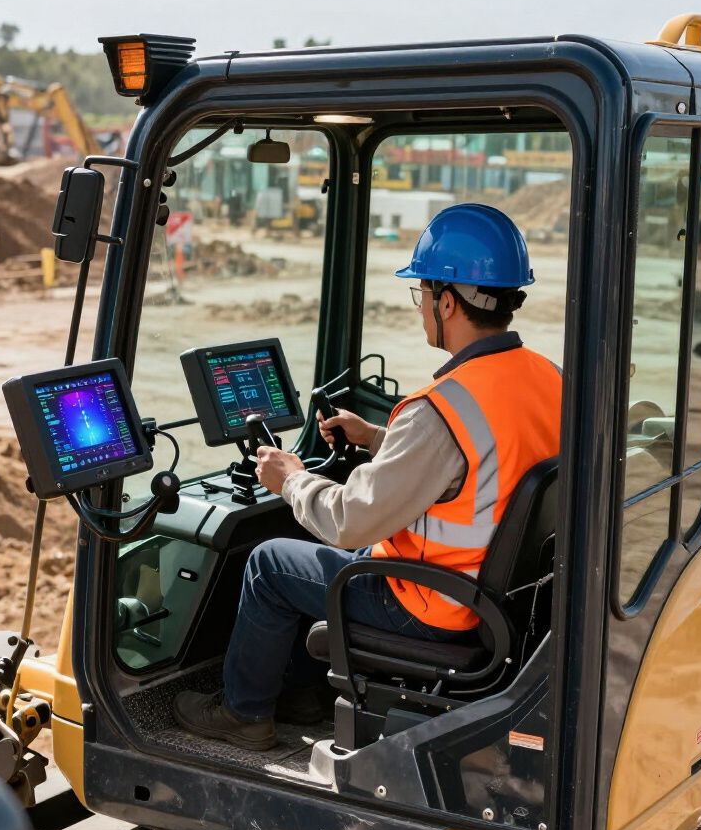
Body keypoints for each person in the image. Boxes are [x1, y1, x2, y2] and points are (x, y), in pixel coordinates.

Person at [173, 203, 562, 749]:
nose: (420, 307)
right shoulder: (547, 377)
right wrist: (379, 438)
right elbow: (487, 462)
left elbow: (351, 521)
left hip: (432, 604)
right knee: (338, 563)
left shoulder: (439, 410)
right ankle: (305, 698)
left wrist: (290, 479)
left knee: (268, 562)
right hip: (500, 598)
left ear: (446, 301)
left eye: (421, 294)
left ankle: (244, 715)